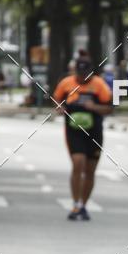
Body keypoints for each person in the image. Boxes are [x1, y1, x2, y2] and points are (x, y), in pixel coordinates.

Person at [52, 53, 113, 220]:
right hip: (74, 131)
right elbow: (57, 101)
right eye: (80, 74)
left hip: (94, 132)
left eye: (85, 74)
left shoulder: (99, 85)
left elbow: (109, 108)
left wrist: (94, 107)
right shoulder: (66, 84)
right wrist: (60, 108)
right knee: (78, 163)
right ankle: (75, 203)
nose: (82, 78)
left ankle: (83, 205)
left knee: (90, 170)